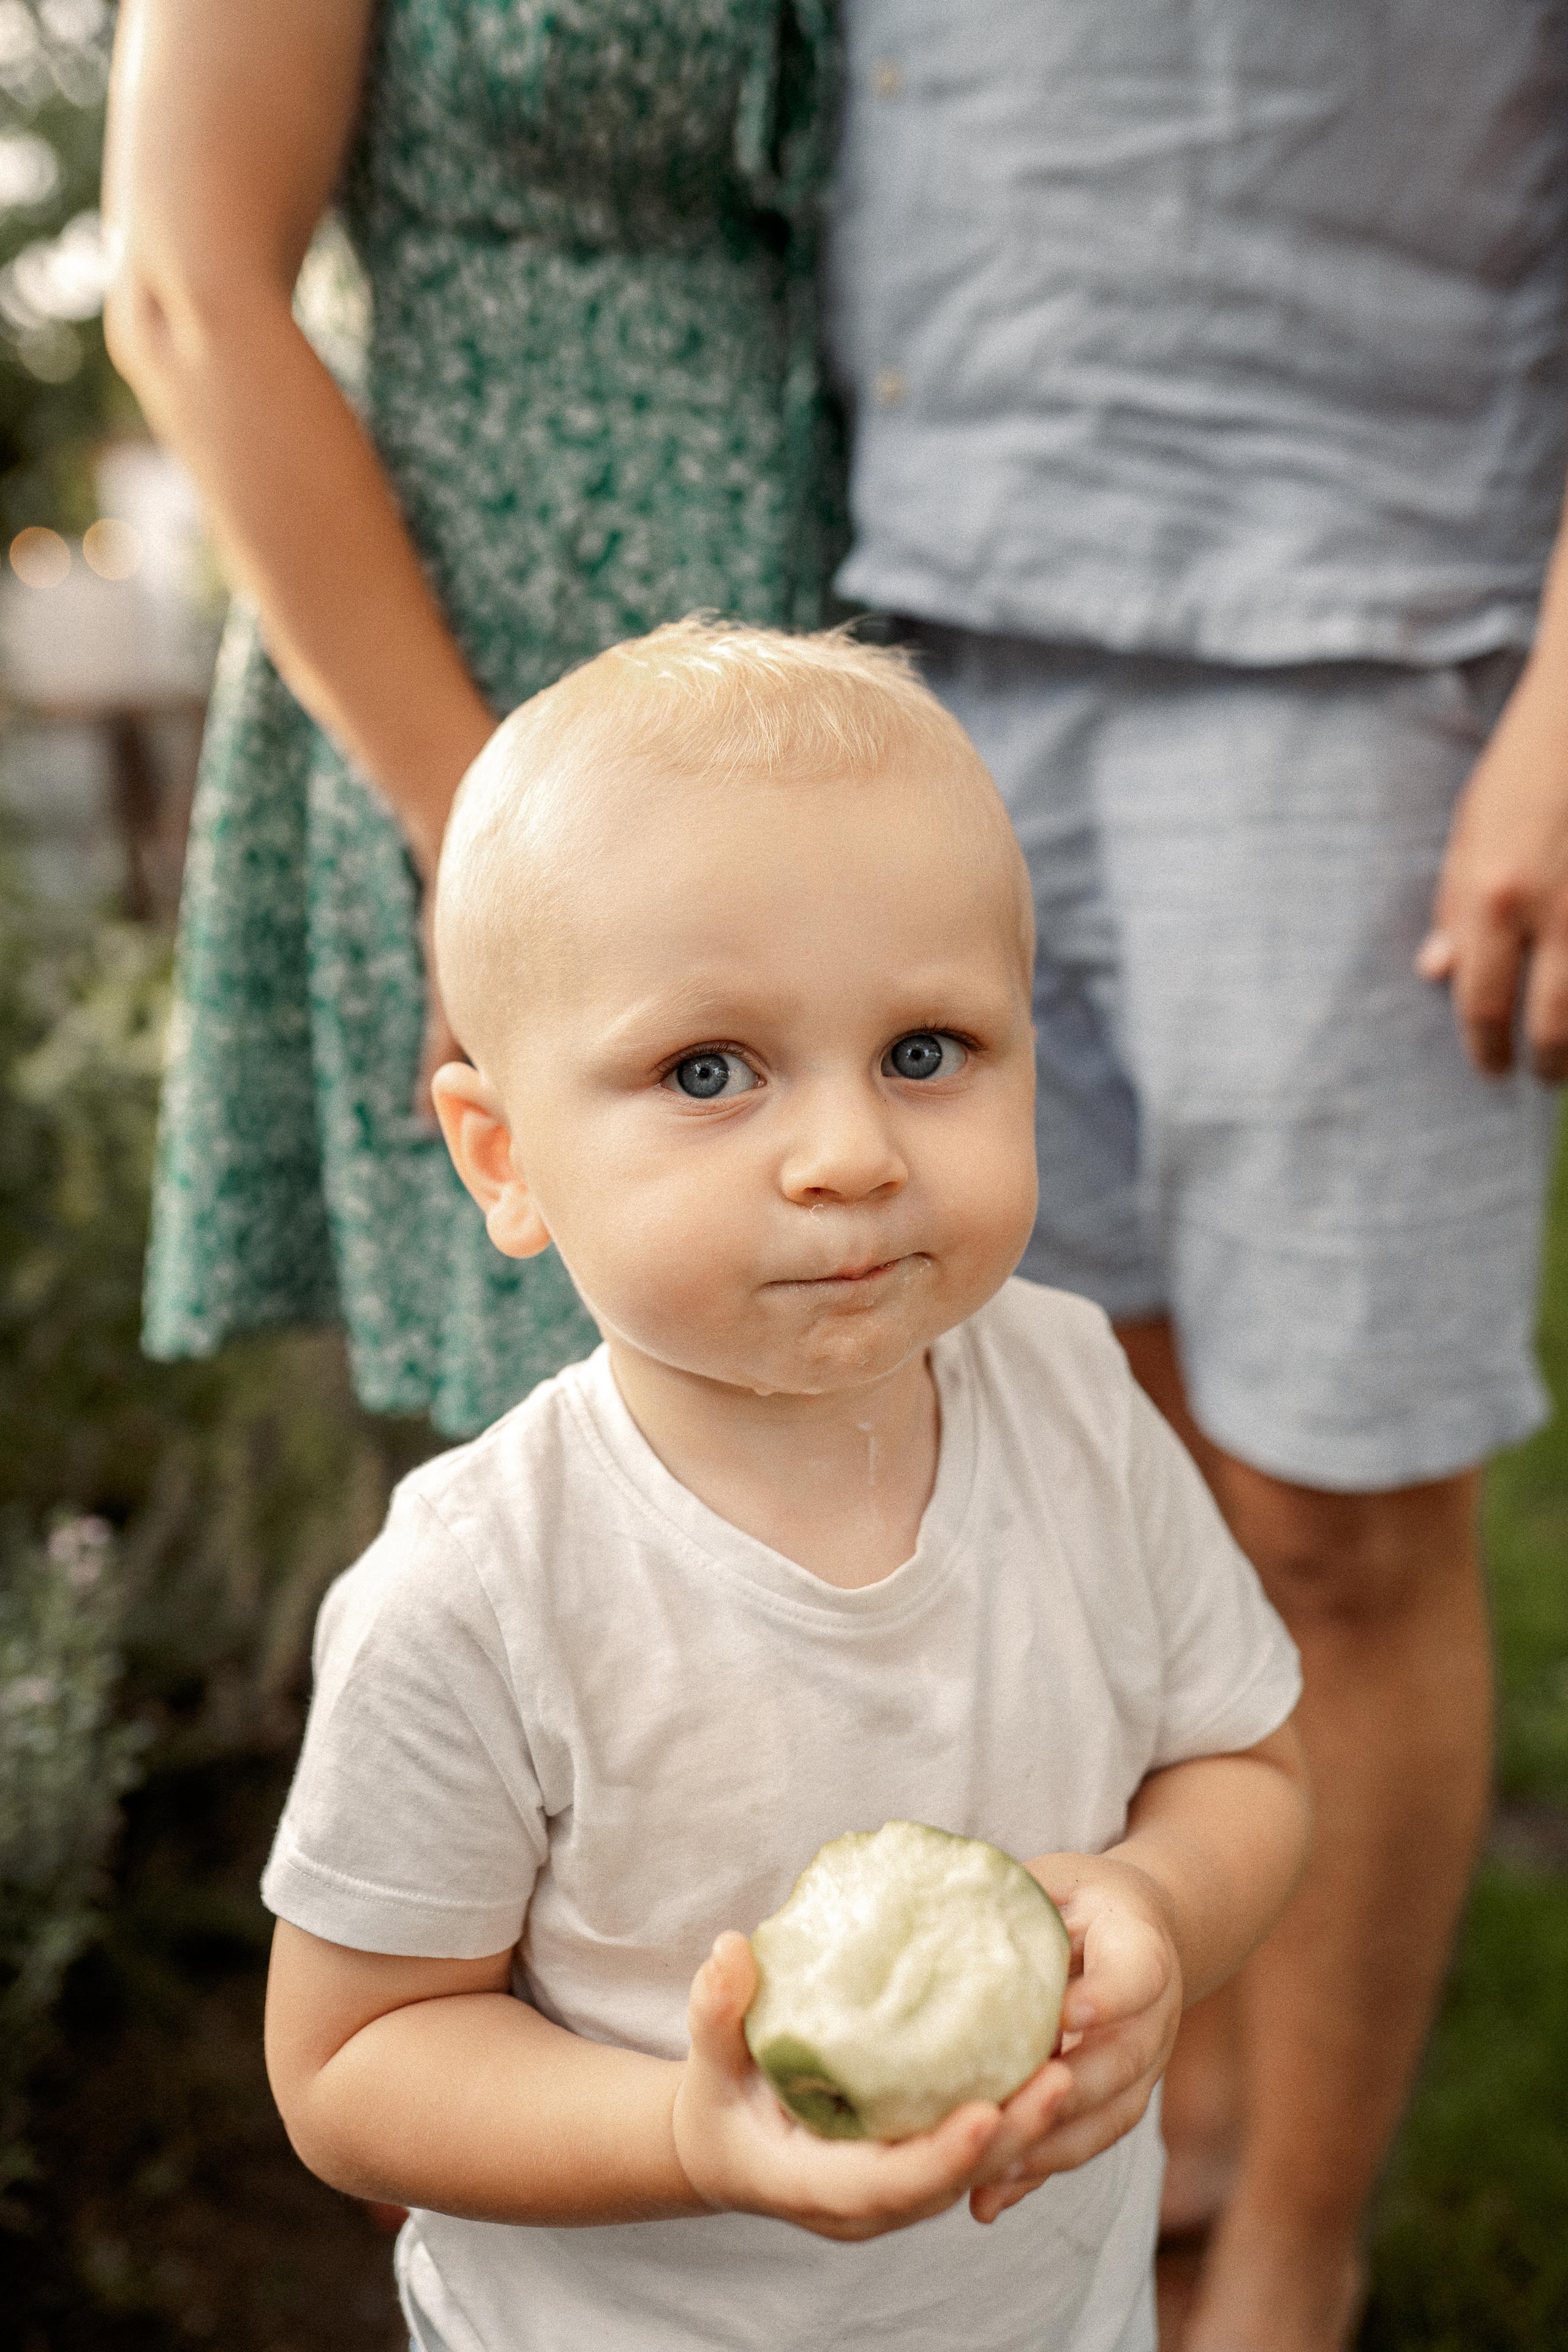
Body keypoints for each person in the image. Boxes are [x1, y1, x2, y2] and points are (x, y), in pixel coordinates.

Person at [259, 620, 1312, 2352]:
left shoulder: (1070, 1397)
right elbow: (353, 2064)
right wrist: (690, 2136)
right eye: (708, 1072)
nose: (848, 1154)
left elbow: (1243, 1764)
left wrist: (1159, 1910)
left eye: (925, 1051)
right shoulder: (481, 1587)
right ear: (504, 1159)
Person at [824, 7, 1568, 2348]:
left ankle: (1291, 2259)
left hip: (1354, 626)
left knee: (1333, 1527)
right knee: (1099, 1488)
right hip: (930, 622)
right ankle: (1194, 2124)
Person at [102, 0, 843, 1438]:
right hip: (495, 688)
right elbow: (183, 293)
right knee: (601, 1427)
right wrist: (481, 821)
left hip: (839, 662)